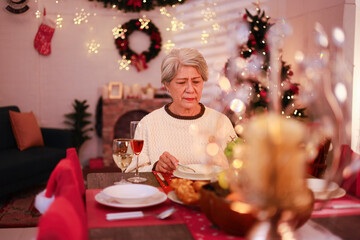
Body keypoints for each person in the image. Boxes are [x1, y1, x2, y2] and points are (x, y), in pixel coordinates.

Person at [126, 48, 237, 173]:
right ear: (167, 85)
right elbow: (132, 172)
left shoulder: (221, 121)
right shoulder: (148, 124)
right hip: (166, 192)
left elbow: (238, 166)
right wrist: (156, 167)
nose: (190, 89)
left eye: (196, 82)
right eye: (181, 82)